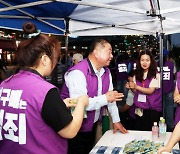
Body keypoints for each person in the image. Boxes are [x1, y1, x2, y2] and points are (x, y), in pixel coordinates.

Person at [0, 22, 88, 154]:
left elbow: (27, 112)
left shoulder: (5, 83)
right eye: (55, 58)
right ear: (45, 59)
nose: (55, 63)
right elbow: (70, 131)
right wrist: (81, 103)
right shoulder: (45, 90)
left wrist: (59, 105)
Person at [61, 38, 128, 154]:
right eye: (109, 51)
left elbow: (111, 98)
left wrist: (116, 120)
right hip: (74, 128)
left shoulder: (106, 72)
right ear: (96, 52)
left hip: (93, 124)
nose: (112, 55)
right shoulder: (78, 73)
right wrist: (105, 98)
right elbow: (78, 105)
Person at [127, 49, 162, 131]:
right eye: (142, 60)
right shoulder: (136, 74)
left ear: (151, 61)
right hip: (139, 109)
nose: (145, 63)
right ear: (139, 61)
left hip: (152, 110)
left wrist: (136, 86)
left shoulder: (155, 75)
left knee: (151, 133)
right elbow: (136, 92)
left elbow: (150, 91)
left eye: (147, 60)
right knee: (140, 132)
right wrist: (131, 87)